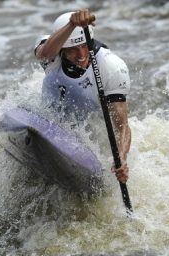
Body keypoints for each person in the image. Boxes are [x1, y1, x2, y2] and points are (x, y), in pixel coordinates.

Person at [35, 9, 131, 184]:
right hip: (50, 118)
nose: (81, 55)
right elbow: (44, 53)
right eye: (72, 49)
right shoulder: (51, 51)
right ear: (62, 49)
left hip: (87, 128)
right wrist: (72, 24)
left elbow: (122, 126)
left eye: (85, 46)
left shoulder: (111, 67)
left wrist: (121, 158)